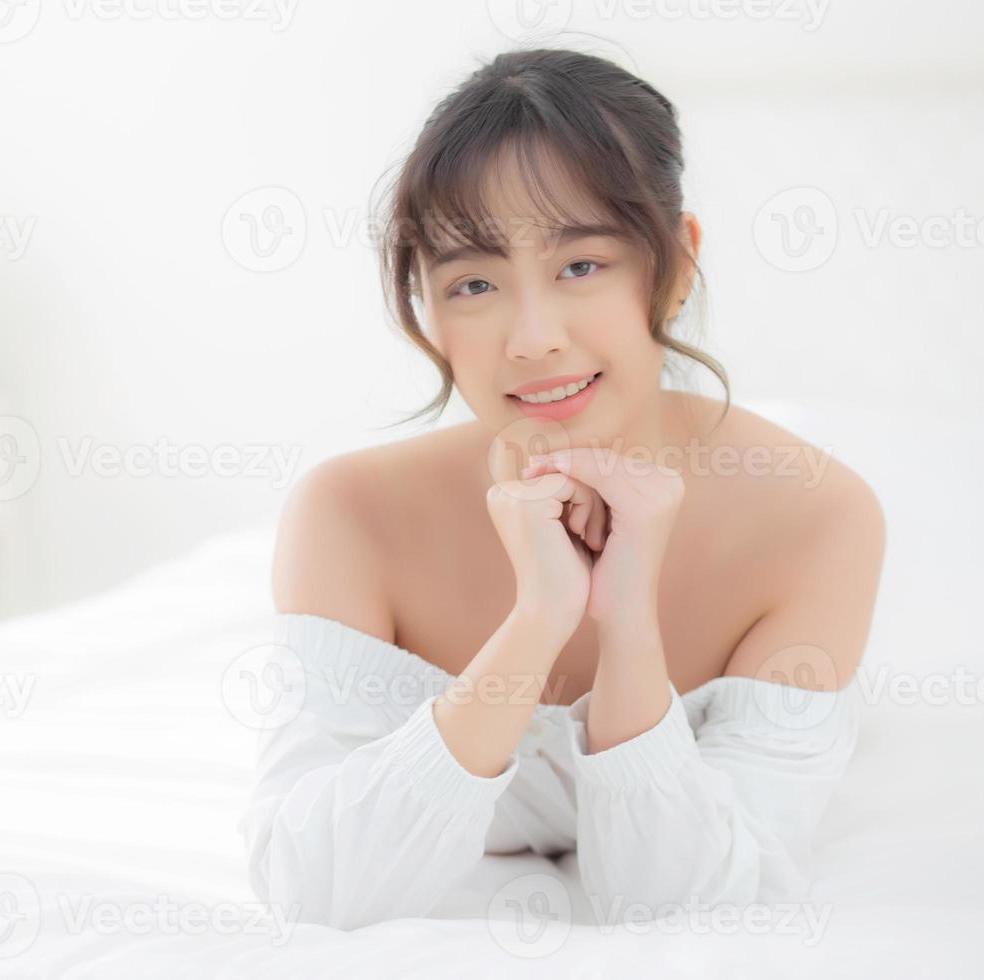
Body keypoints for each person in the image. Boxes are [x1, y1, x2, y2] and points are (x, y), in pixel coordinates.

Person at [237, 46, 886, 932]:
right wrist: (537, 620)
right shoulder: (348, 514)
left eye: (581, 266)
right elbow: (312, 892)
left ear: (675, 265)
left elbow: (688, 913)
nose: (533, 338)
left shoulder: (816, 519)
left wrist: (628, 629)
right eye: (473, 283)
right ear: (428, 311)